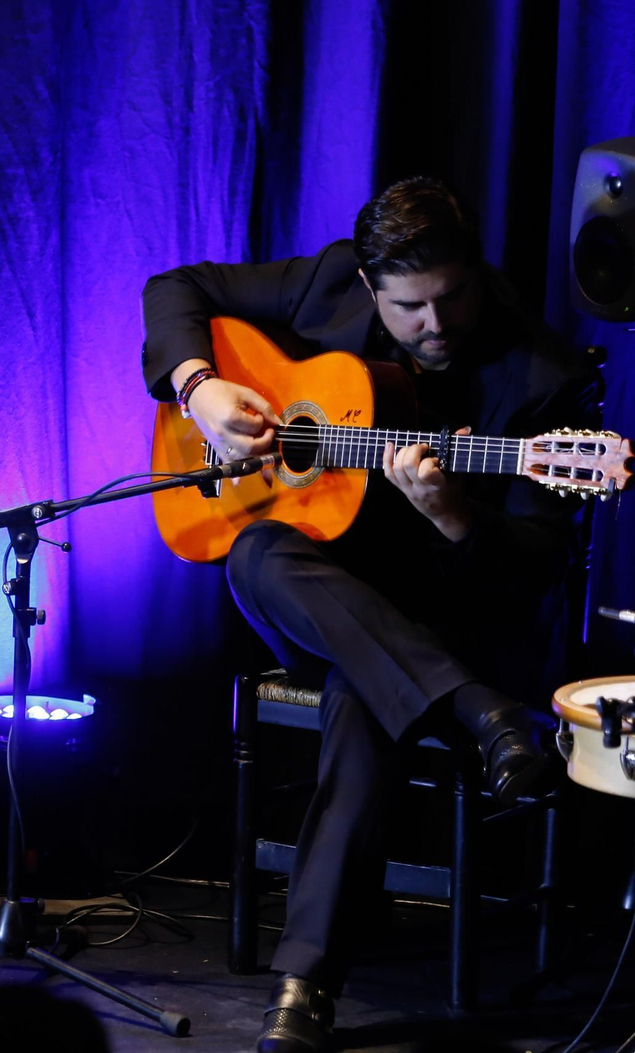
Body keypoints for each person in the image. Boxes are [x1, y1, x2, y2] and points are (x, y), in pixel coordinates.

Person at [140, 177, 601, 1052]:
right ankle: (481, 712)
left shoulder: (543, 379)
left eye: (451, 296)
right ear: (367, 286)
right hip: (322, 601)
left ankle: (304, 986)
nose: (434, 324)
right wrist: (200, 388)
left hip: (449, 621)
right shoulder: (326, 282)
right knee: (255, 550)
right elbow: (175, 288)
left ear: (476, 271)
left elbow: (536, 572)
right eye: (408, 307)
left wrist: (454, 514)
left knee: (366, 694)